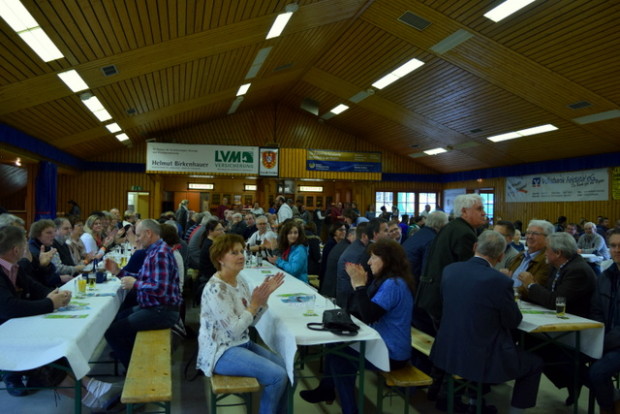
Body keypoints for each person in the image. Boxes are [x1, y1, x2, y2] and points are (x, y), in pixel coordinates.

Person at [0, 225, 122, 409]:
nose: (27, 249)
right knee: (42, 357)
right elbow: (8, 307)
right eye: (24, 245)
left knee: (56, 344)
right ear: (16, 250)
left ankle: (91, 386)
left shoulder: (14, 267)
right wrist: (51, 303)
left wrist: (56, 294)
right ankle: (91, 399)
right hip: (6, 334)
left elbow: (34, 287)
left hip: (16, 325)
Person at [431, 230, 543, 414]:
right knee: (534, 363)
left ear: (475, 247)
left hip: (447, 349)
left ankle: (476, 401)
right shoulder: (498, 281)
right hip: (479, 355)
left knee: (483, 337)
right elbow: (512, 321)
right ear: (500, 256)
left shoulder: (450, 270)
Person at [300, 238, 414, 414]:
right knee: (334, 345)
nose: (369, 262)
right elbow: (358, 311)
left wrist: (360, 286)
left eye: (374, 257)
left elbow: (368, 316)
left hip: (391, 353)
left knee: (339, 357)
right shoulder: (383, 280)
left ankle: (348, 409)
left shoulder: (394, 284)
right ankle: (327, 390)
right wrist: (357, 286)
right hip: (381, 344)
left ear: (387, 260)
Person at [197, 234, 287, 414]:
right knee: (278, 376)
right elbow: (234, 330)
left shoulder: (240, 281)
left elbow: (251, 322)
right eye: (234, 253)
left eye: (242, 251)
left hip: (241, 343)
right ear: (220, 259)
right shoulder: (216, 288)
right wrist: (254, 305)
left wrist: (262, 300)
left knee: (289, 371)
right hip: (220, 350)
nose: (241, 256)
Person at [518, 231, 596, 403]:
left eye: (547, 250)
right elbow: (548, 296)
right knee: (529, 341)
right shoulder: (560, 267)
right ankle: (571, 381)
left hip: (579, 328)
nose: (545, 253)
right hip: (561, 321)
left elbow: (555, 301)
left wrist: (530, 284)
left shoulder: (578, 271)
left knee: (537, 345)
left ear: (558, 253)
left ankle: (579, 379)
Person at [104, 219, 182, 369]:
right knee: (117, 319)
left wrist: (135, 284)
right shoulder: (155, 250)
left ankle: (135, 374)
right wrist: (118, 272)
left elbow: (160, 289)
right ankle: (136, 358)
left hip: (162, 311)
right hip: (155, 307)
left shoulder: (160, 254)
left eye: (139, 235)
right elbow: (144, 278)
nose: (137, 239)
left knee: (112, 333)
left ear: (148, 233)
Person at [417, 194, 486, 325]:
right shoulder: (465, 233)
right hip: (444, 299)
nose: (484, 213)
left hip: (432, 294)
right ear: (464, 211)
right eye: (479, 209)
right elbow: (468, 273)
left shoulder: (452, 227)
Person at [589, 228, 620, 414]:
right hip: (605, 339)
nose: (617, 250)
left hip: (612, 343)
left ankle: (608, 408)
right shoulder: (605, 276)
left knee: (597, 372)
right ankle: (613, 398)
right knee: (572, 362)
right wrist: (598, 336)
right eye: (613, 246)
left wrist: (604, 343)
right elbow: (596, 310)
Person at [336, 218, 389, 308]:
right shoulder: (370, 253)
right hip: (359, 302)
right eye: (385, 231)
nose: (389, 234)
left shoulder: (364, 248)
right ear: (375, 234)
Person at [506, 220, 554, 297]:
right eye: (528, 233)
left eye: (535, 234)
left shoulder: (547, 260)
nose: (529, 236)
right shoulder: (521, 255)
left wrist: (508, 290)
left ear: (547, 238)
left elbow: (534, 288)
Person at [321, 226, 357, 299]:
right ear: (350, 235)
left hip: (328, 287)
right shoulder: (347, 248)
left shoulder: (341, 245)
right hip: (334, 291)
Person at [196, 220, 226, 302]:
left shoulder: (210, 242)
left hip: (208, 274)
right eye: (219, 230)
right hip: (209, 276)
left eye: (223, 229)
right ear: (210, 231)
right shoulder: (210, 245)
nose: (222, 232)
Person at [318, 222, 347, 288]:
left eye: (344, 230)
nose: (343, 232)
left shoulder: (340, 244)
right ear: (334, 231)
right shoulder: (331, 244)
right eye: (340, 230)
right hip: (327, 275)